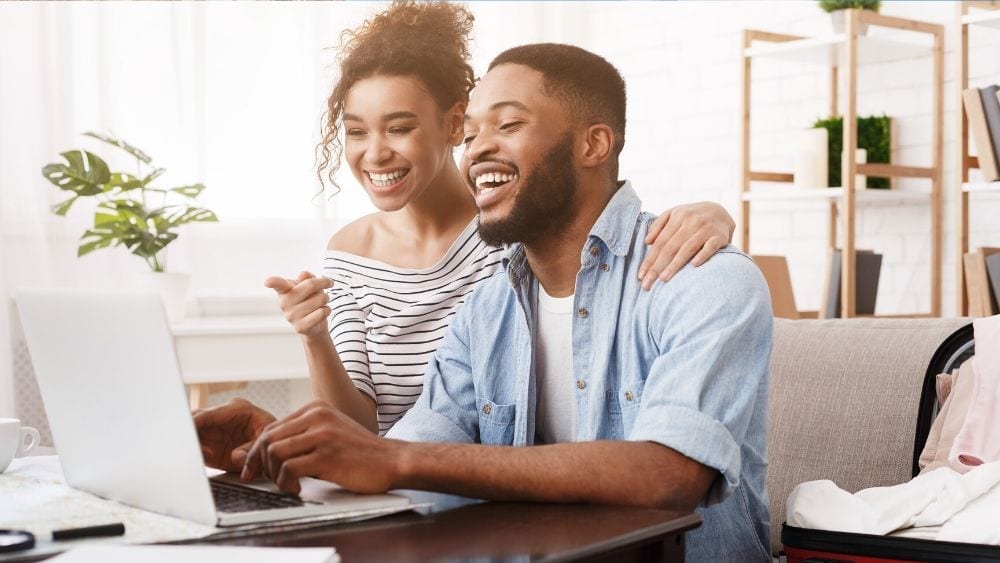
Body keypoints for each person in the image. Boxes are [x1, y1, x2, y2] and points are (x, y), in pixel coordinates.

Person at [197, 43, 773, 561]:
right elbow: (409, 453)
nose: (477, 150)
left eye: (509, 124)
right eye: (470, 133)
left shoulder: (702, 279)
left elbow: (666, 475)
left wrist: (395, 461)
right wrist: (284, 449)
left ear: (593, 143)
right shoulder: (488, 307)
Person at [260, 1, 736, 437]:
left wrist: (713, 215)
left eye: (400, 127)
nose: (376, 152)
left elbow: (597, 214)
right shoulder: (382, 266)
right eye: (357, 131)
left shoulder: (517, 227)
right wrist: (311, 350)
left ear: (449, 126)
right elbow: (383, 435)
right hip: (419, 483)